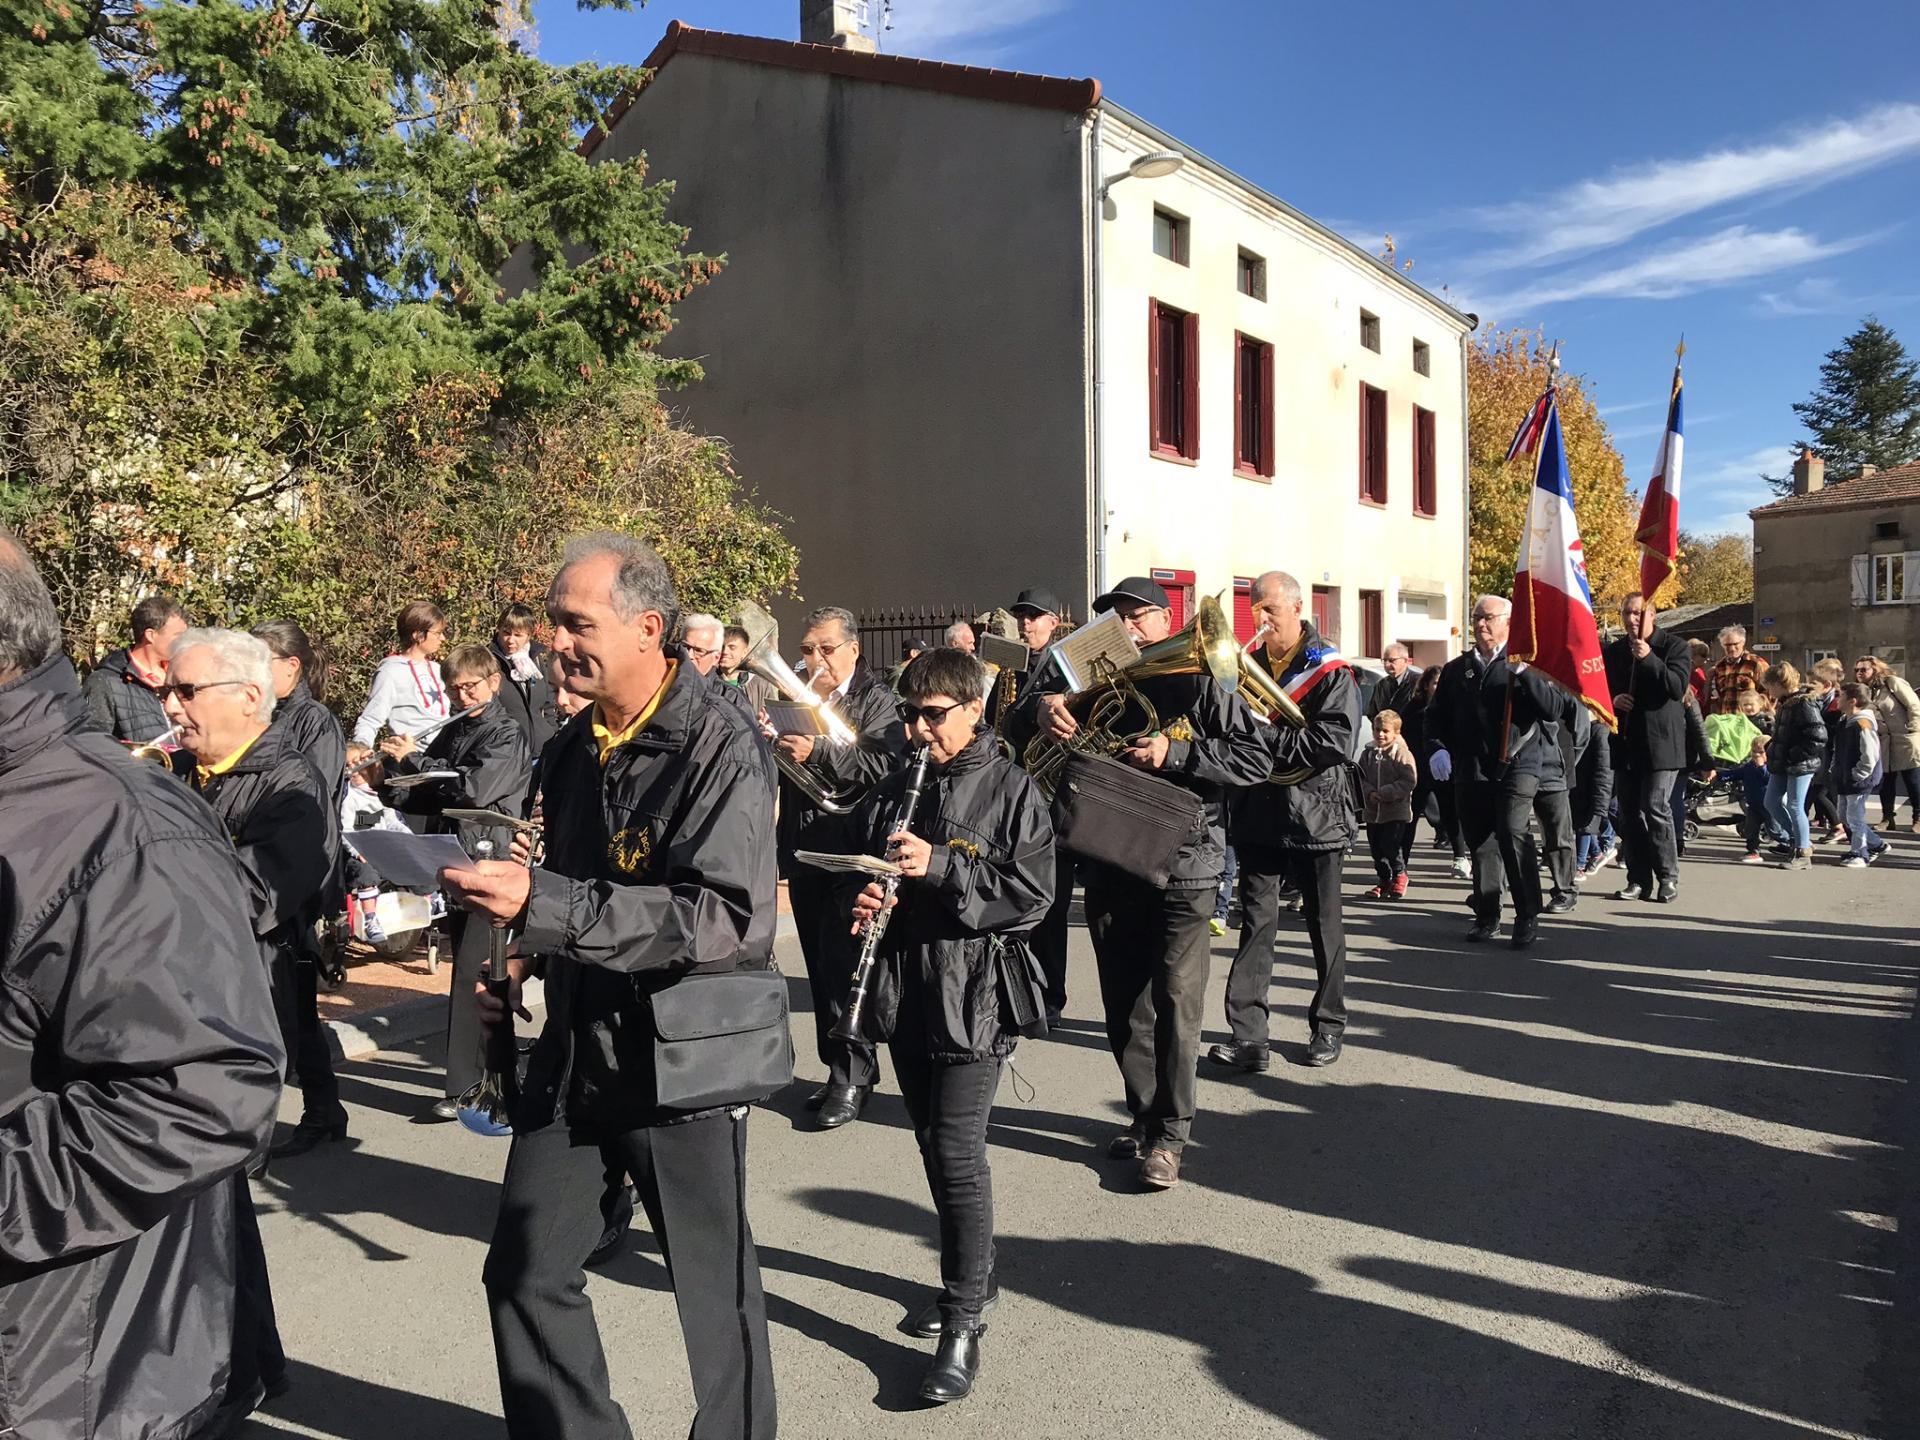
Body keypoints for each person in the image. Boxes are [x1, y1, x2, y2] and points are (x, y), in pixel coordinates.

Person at [439, 532, 778, 1440]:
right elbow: (560, 883)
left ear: (648, 629)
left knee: (716, 1304)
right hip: (577, 1048)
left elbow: (723, 920)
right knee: (522, 1273)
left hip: (682, 1057)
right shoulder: (571, 742)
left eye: (576, 624)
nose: (557, 642)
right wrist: (515, 958)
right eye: (553, 624)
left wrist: (544, 904)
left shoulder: (721, 742)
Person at [0, 534, 283, 1440]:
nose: (172, 706)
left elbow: (205, 1093)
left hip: (67, 1372)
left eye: (190, 691)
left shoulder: (123, 825)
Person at [841, 648, 1054, 1403]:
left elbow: (1029, 896)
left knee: (960, 1154)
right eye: (909, 713)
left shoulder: (1013, 787)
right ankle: (972, 1281)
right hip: (906, 989)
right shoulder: (903, 783)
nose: (917, 728)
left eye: (933, 714)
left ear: (972, 710)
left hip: (974, 997)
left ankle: (964, 1319)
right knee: (933, 1145)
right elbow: (874, 868)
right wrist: (867, 898)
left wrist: (938, 867)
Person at [1031, 575, 1267, 1188]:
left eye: (1140, 616)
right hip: (1110, 854)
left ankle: (1170, 1134)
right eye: (1118, 617)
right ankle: (1143, 1115)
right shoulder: (1087, 676)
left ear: (1168, 620)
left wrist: (1177, 754)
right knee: (1122, 1001)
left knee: (1177, 998)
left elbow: (1254, 760)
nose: (1130, 627)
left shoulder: (1208, 676)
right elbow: (1021, 730)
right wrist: (1045, 706)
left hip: (1187, 859)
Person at [163, 626, 338, 1411]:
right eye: (168, 689)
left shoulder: (287, 785)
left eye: (184, 692)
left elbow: (258, 897)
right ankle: (248, 1366)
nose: (169, 705)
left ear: (246, 698)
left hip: (241, 1013)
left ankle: (237, 1375)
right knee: (208, 1200)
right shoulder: (175, 774)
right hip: (175, 1009)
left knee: (219, 1194)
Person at [380, 643, 532, 1119]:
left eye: (470, 686)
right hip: (455, 857)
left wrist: (415, 764)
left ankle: (467, 1088)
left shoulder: (507, 731)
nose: (462, 695)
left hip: (492, 859)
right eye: (454, 688)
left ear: (494, 683)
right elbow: (433, 794)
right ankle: (496, 1077)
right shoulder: (455, 731)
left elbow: (474, 789)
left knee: (476, 973)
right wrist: (387, 781)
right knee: (480, 972)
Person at [775, 606, 906, 1129]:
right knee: (820, 965)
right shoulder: (800, 696)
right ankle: (840, 1069)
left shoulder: (879, 701)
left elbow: (885, 765)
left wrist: (819, 751)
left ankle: (853, 1076)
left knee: (849, 966)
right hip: (808, 845)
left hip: (853, 848)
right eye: (808, 649)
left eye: (826, 648)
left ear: (853, 648)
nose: (816, 659)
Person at [1427, 594, 1578, 948]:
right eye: (1477, 617)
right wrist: (1436, 748)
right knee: (1481, 843)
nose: (1481, 624)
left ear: (1509, 623)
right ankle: (1488, 913)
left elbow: (1553, 709)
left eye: (1489, 617)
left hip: (1518, 762)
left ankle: (1527, 914)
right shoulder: (1456, 669)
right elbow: (1435, 718)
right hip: (1471, 767)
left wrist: (1526, 675)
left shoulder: (1529, 664)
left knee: (1512, 833)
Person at [998, 585, 1073, 1021]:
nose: (1025, 623)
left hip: (1053, 799)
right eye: (1022, 616)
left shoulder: (1063, 665)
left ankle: (1051, 996)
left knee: (1051, 905)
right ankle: (1018, 988)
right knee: (1016, 899)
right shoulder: (1010, 665)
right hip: (1016, 796)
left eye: (1034, 616)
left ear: (1053, 622)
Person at [1602, 593, 1691, 904]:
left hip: (1662, 745)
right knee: (1628, 814)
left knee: (1654, 808)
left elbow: (1676, 688)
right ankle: (1638, 879)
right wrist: (1613, 700)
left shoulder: (1674, 646)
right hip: (1626, 742)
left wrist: (1649, 657)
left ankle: (1668, 877)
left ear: (1652, 614)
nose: (1631, 619)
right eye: (1627, 613)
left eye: (1638, 613)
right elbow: (1601, 689)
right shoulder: (1614, 650)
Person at [81, 591, 188, 742]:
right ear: (151, 635)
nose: (185, 643)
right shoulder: (105, 682)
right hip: (140, 765)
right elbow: (93, 746)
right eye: (178, 637)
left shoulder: (182, 675)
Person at [254, 618, 347, 789]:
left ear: (292, 665)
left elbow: (315, 791)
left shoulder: (316, 722)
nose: (252, 669)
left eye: (262, 661)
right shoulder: (250, 713)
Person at [352, 599, 450, 744]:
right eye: (437, 633)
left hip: (443, 758)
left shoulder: (438, 669)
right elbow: (371, 718)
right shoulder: (391, 671)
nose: (443, 638)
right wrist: (361, 748)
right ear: (417, 634)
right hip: (410, 759)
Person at [1402, 663, 1468, 877]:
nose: (1438, 687)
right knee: (1410, 816)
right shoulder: (1413, 708)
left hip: (1444, 768)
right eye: (1435, 683)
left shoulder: (1453, 707)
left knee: (1451, 813)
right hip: (1418, 769)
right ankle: (1401, 864)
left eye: (1442, 683)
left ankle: (1460, 857)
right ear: (1426, 685)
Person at [1762, 662, 1827, 870]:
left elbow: (1818, 736)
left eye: (1768, 685)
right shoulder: (1787, 702)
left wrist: (1793, 755)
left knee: (1795, 805)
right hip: (1783, 762)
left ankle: (1802, 851)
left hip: (1799, 763)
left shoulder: (1803, 704)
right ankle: (1797, 839)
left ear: (1778, 683)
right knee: (1771, 801)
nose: (1767, 691)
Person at [1357, 708, 1417, 899]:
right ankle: (1384, 880)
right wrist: (1369, 792)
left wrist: (1385, 793)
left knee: (1390, 845)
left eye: (1385, 731)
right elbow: (1360, 778)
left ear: (1396, 732)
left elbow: (1408, 780)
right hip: (1373, 812)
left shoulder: (1401, 754)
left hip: (1395, 811)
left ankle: (1400, 874)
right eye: (1377, 730)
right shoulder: (1367, 754)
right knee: (1376, 850)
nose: (1380, 734)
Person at [1856, 655, 1920, 832]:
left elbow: (1914, 704)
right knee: (1885, 781)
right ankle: (1887, 818)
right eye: (1857, 670)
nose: (1859, 673)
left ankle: (1918, 817)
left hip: (1905, 737)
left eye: (1864, 669)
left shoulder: (1892, 683)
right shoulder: (1865, 691)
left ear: (1875, 669)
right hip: (1883, 741)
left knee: (1912, 780)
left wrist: (1913, 728)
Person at [1831, 682, 1889, 868]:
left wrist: (1859, 774)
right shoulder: (1844, 721)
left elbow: (1870, 754)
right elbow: (1838, 749)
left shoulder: (1863, 724)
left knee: (1855, 817)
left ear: (1852, 701)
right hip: (1845, 776)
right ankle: (1877, 845)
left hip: (1858, 779)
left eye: (1841, 696)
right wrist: (1835, 767)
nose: (1837, 700)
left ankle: (1860, 853)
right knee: (1844, 815)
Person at [491, 602, 557, 754]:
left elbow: (548, 702)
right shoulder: (488, 663)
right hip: (508, 752)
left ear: (529, 635)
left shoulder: (536, 661)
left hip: (542, 748)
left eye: (518, 635)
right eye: (506, 633)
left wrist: (551, 731)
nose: (510, 640)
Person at [1710, 625, 1768, 714]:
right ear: (1722, 645)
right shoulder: (1719, 666)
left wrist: (1761, 716)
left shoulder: (1756, 663)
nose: (1732, 648)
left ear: (1743, 642)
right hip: (1726, 721)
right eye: (1728, 645)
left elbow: (1769, 693)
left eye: (1735, 644)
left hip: (1748, 722)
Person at [1365, 642, 1417, 721]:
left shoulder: (1417, 682)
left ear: (1405, 661)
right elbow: (1372, 714)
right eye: (1384, 660)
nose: (1386, 664)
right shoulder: (1380, 685)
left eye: (1391, 660)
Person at [680, 611, 727, 676]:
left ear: (716, 658)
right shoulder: (665, 678)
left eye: (699, 651)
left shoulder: (719, 686)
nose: (689, 655)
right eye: (685, 647)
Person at [1687, 638, 1712, 708]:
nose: (1707, 659)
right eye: (1703, 655)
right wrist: (1709, 679)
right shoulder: (1686, 674)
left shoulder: (1699, 671)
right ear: (1693, 655)